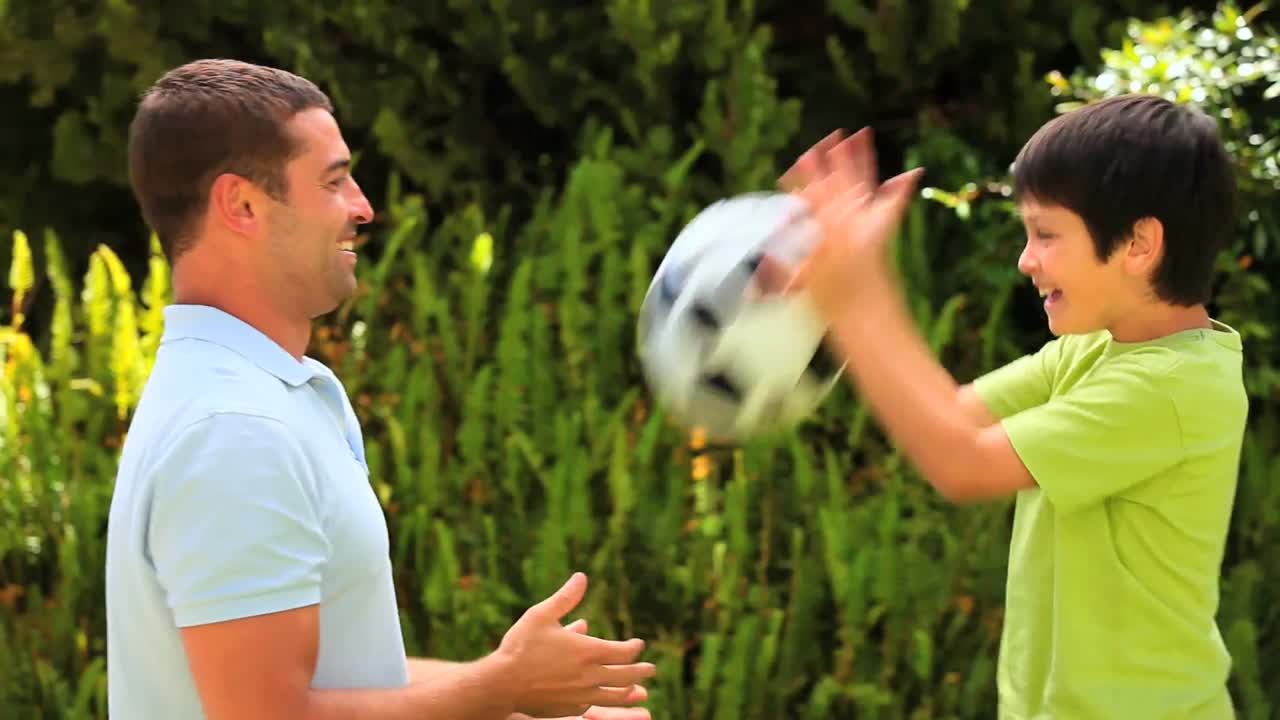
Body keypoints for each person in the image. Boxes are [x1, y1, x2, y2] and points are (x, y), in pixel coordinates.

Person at [105, 58, 656, 720]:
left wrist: (524, 699)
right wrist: (501, 688)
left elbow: (337, 676)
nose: (363, 207)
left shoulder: (270, 398)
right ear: (242, 205)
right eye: (333, 182)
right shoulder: (234, 428)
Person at [766, 94, 1246, 718]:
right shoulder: (1093, 352)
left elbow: (961, 464)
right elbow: (949, 413)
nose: (1026, 260)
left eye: (1046, 234)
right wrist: (843, 296)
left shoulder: (1176, 387)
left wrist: (858, 296)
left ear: (1137, 243)